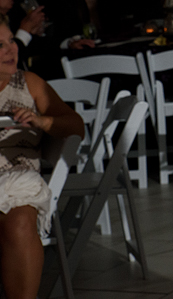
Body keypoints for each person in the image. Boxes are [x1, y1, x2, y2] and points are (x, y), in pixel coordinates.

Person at [0, 16, 85, 299]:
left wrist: (42, 121)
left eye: (11, 40)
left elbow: (76, 127)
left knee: (20, 222)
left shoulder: (29, 83)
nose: (11, 49)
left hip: (18, 183)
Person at [0, 0, 45, 65]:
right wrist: (24, 31)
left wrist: (31, 34)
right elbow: (7, 61)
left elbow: (26, 55)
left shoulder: (11, 16)